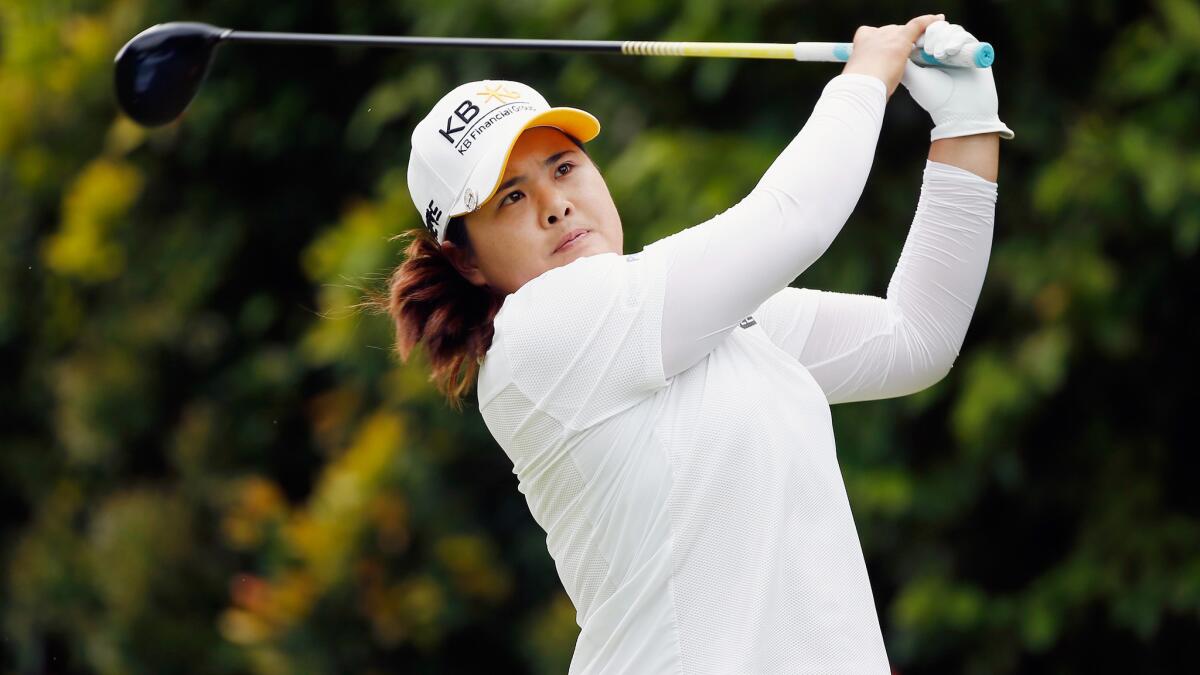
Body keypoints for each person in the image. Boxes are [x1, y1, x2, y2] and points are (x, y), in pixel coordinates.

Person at [379, 13, 1012, 674]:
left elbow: (916, 338)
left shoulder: (704, 317)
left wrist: (967, 123)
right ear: (469, 262)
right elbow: (793, 218)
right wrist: (865, 77)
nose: (555, 204)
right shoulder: (537, 335)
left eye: (564, 167)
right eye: (511, 196)